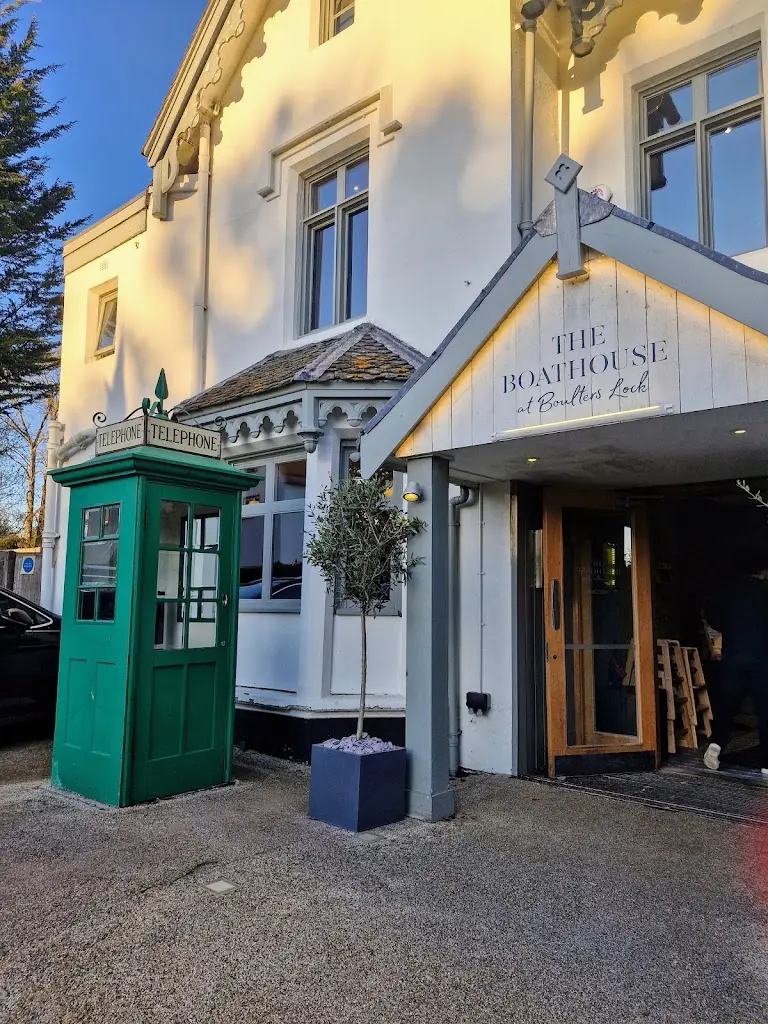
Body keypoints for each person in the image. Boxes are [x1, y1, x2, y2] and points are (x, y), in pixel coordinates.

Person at [703, 556, 768, 775]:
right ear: (763, 571)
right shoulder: (765, 592)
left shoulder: (728, 593)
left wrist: (731, 628)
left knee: (726, 708)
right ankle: (767, 763)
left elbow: (711, 614)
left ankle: (715, 745)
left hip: (732, 659)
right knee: (765, 712)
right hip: (762, 661)